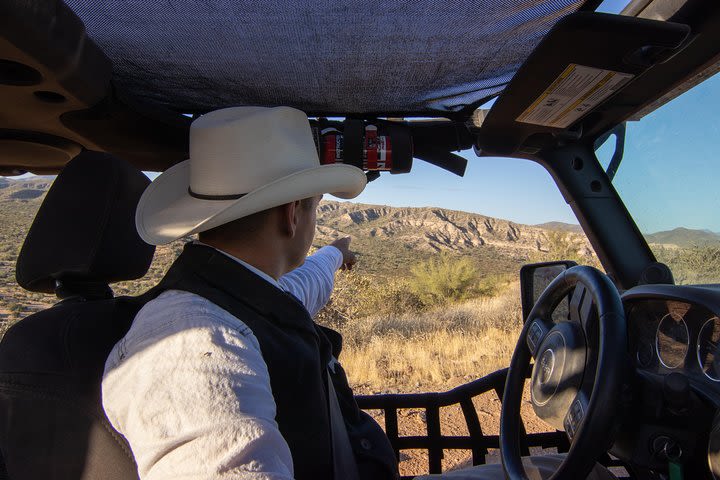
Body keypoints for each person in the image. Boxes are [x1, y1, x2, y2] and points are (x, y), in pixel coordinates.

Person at [103, 106, 398, 480]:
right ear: (292, 215)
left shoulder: (236, 294)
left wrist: (335, 254)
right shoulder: (196, 341)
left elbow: (298, 289)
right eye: (315, 211)